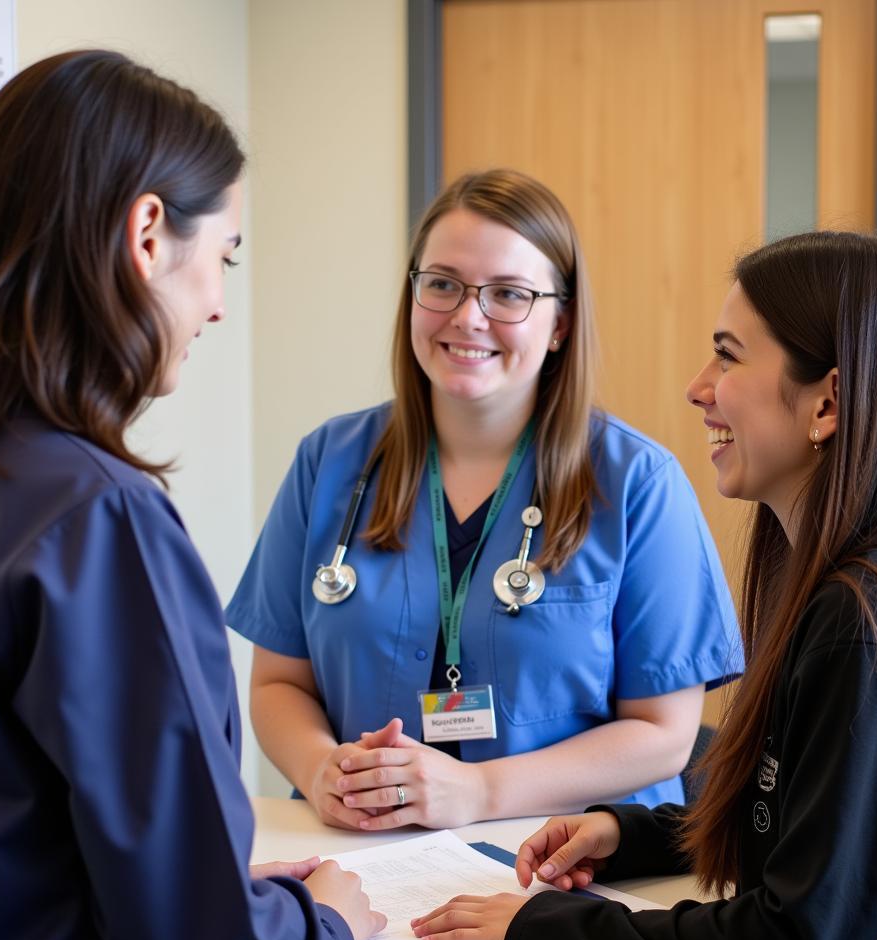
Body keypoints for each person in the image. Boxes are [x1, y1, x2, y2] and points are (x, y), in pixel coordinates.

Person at [410, 232, 877, 940]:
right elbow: (811, 828)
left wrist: (542, 928)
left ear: (828, 403)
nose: (698, 388)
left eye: (727, 357)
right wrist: (636, 834)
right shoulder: (859, 588)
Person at [0, 50, 384, 940]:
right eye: (223, 257)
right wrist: (322, 924)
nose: (219, 304)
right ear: (147, 232)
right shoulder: (96, 518)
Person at [226, 169, 742, 832]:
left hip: (567, 871)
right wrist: (319, 770)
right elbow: (278, 684)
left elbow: (666, 732)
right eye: (441, 284)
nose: (468, 316)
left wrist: (480, 791)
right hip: (368, 859)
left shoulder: (638, 483)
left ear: (560, 323)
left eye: (509, 294)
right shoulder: (329, 463)